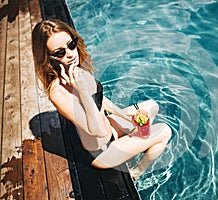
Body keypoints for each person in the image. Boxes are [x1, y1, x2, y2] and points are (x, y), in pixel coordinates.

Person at [31, 19, 172, 180]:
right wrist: (82, 92)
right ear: (48, 58)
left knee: (152, 106)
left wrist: (125, 117)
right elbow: (96, 131)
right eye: (59, 52)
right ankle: (137, 173)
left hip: (110, 131)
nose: (70, 54)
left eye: (71, 45)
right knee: (165, 131)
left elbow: (100, 99)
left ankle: (134, 145)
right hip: (101, 152)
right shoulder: (58, 92)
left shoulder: (77, 70)